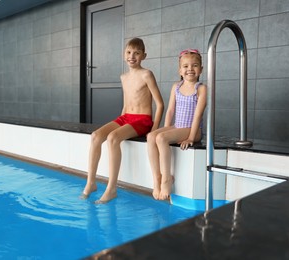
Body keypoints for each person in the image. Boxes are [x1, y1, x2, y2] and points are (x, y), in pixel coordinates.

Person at [81, 37, 164, 204]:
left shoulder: (146, 74)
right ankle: (91, 183)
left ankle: (111, 189)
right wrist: (120, 123)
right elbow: (126, 104)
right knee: (96, 135)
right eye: (128, 52)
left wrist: (154, 130)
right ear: (123, 54)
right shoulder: (123, 77)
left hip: (143, 119)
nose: (131, 56)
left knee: (112, 138)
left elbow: (160, 103)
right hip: (126, 117)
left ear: (144, 56)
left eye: (136, 53)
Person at [146, 49, 207, 201]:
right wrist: (165, 130)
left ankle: (167, 179)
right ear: (180, 70)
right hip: (178, 126)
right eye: (185, 66)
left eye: (194, 65)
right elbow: (171, 110)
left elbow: (198, 116)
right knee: (152, 136)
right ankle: (157, 178)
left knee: (161, 138)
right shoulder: (176, 87)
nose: (190, 69)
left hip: (193, 129)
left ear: (201, 69)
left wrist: (191, 138)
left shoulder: (201, 88)